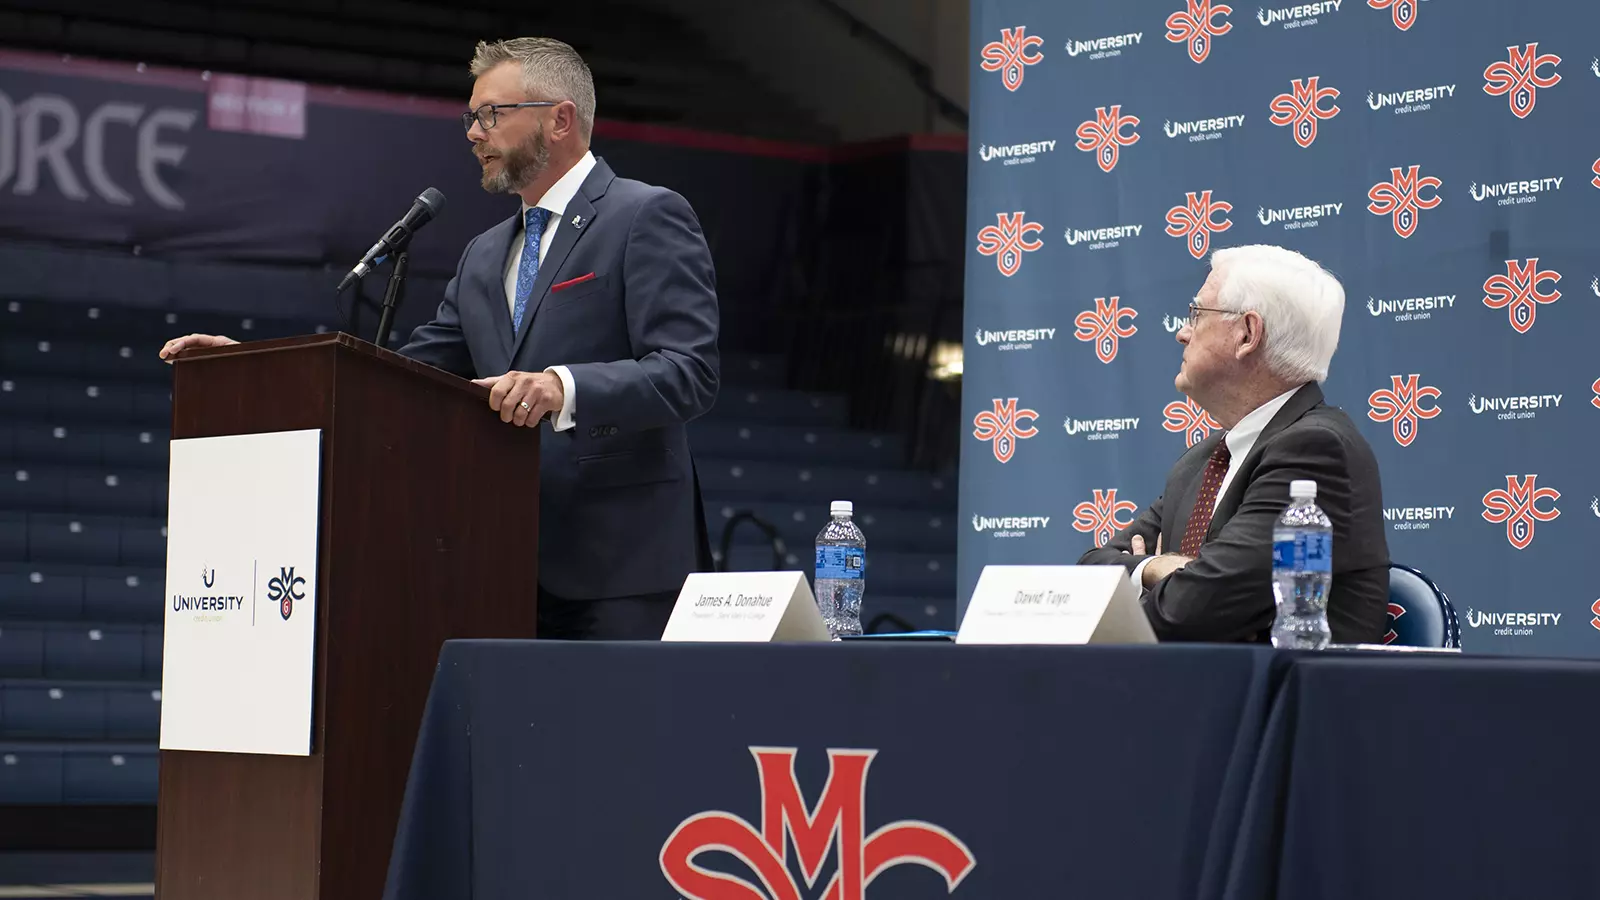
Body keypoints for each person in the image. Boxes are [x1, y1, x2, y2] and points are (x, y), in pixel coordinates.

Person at [160, 37, 720, 640]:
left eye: (491, 115)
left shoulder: (645, 215)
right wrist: (257, 367)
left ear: (560, 119)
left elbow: (690, 371)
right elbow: (403, 380)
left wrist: (563, 386)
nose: (474, 134)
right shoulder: (483, 255)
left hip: (623, 570)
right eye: (470, 118)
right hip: (498, 565)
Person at [1078, 244, 1388, 643]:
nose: (1181, 332)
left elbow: (1192, 610)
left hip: (1273, 700)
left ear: (1247, 333)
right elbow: (1087, 580)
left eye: (1196, 314)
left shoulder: (1315, 451)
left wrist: (1144, 571)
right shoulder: (1204, 461)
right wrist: (1156, 567)